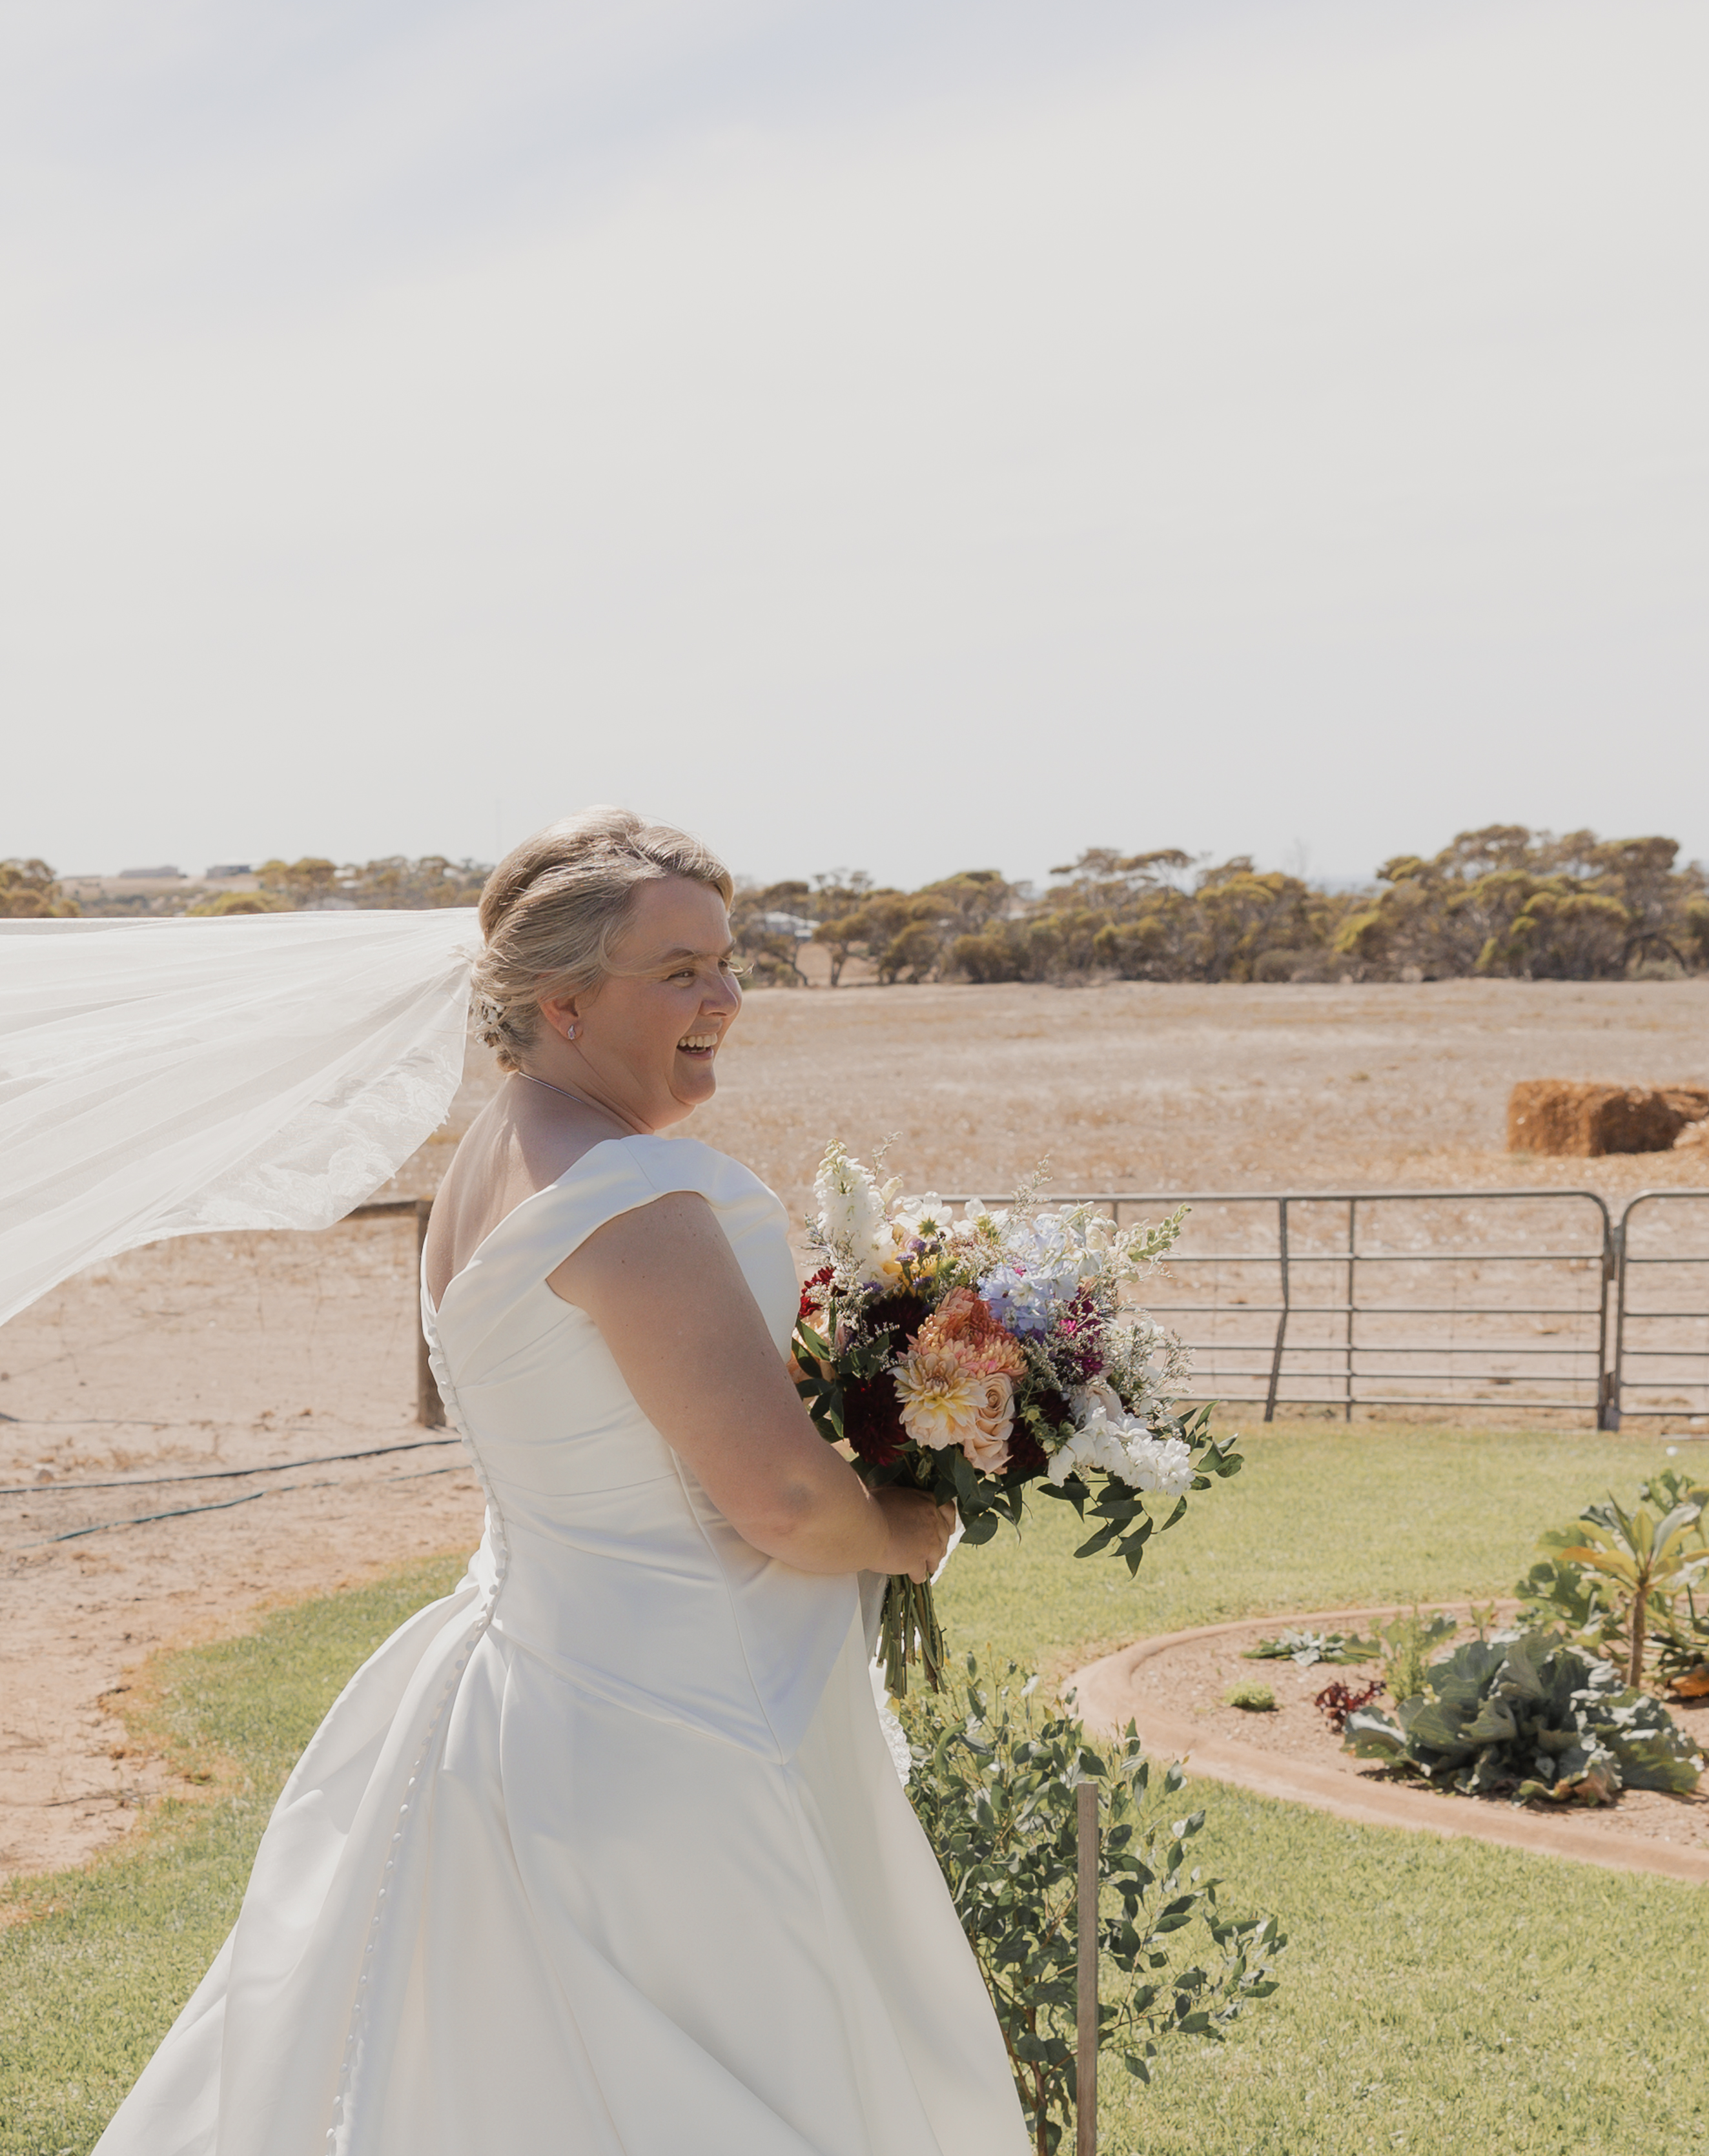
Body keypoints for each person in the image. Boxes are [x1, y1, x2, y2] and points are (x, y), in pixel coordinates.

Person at [96, 809, 1030, 2156]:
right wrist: (904, 1526)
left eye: (726, 960)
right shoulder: (631, 1197)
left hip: (526, 1684)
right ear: (564, 1000)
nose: (725, 997)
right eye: (680, 971)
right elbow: (777, 1500)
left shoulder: (486, 1164)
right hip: (681, 1736)